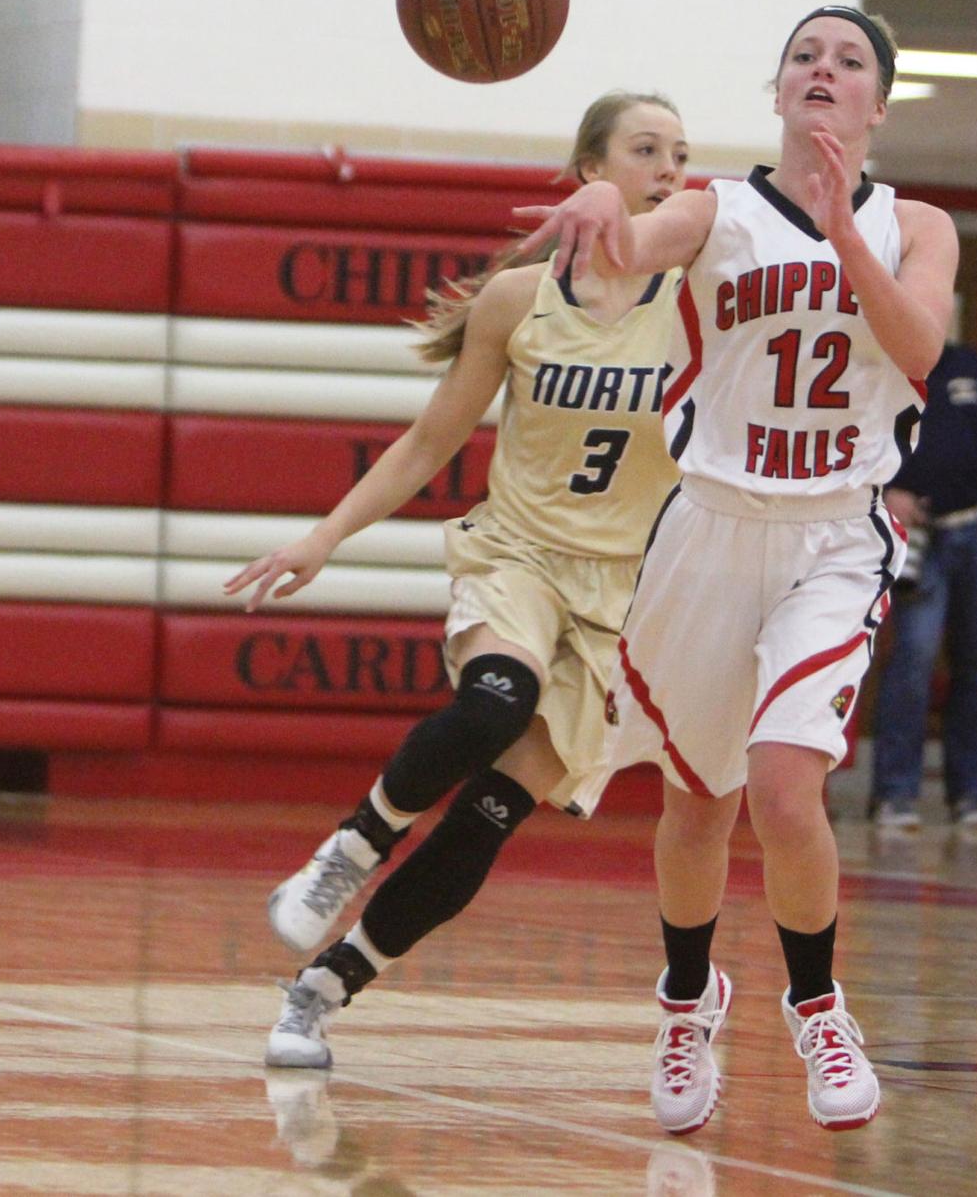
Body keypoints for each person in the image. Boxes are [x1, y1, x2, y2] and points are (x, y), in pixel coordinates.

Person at [514, 5, 957, 1134]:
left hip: (834, 531)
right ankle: (684, 998)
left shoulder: (919, 225)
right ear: (776, 93)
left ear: (877, 102)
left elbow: (918, 350)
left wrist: (842, 232)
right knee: (699, 800)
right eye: (805, 56)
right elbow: (627, 245)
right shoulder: (716, 211)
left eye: (849, 60)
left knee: (782, 782)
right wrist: (610, 198)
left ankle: (815, 1000)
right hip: (709, 524)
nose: (823, 69)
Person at [222, 90, 691, 1069]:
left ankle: (322, 988)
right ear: (589, 171)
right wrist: (324, 536)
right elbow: (430, 441)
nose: (668, 169)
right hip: (518, 554)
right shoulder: (519, 300)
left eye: (679, 155)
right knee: (491, 703)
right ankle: (348, 847)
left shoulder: (698, 300)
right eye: (645, 149)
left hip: (624, 597)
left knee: (490, 813)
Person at [869, 333, 977, 831]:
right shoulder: (885, 362)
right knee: (913, 660)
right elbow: (864, 442)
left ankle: (970, 796)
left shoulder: (970, 365)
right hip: (921, 533)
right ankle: (895, 795)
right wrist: (884, 491)